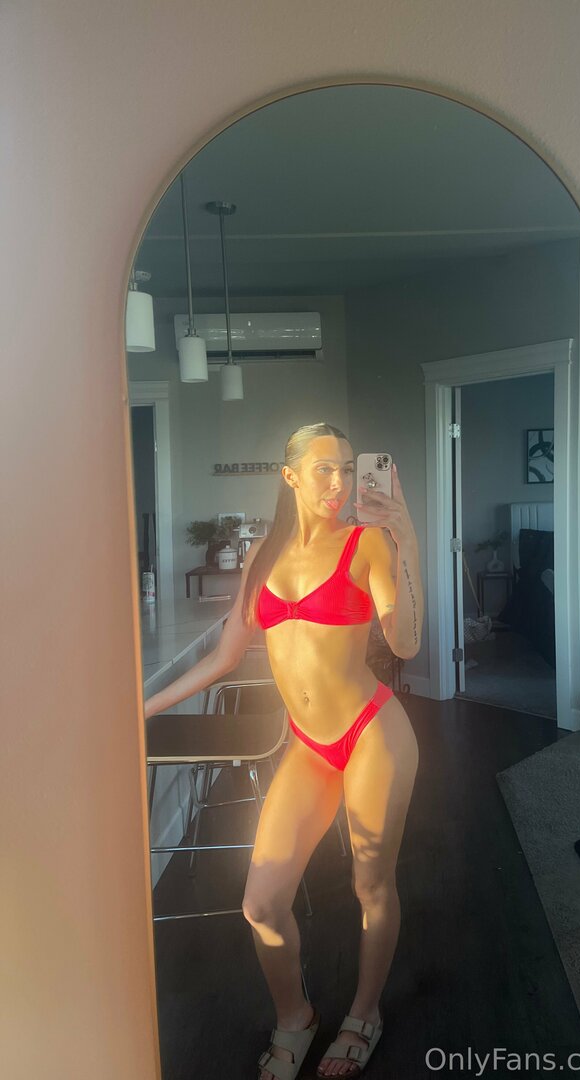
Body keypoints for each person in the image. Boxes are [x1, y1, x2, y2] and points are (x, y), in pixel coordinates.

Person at [144, 422, 423, 1080]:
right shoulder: (263, 558)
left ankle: (365, 1014)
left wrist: (406, 538)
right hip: (309, 745)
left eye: (347, 469)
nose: (339, 482)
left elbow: (406, 644)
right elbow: (223, 658)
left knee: (370, 884)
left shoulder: (365, 543)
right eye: (324, 469)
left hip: (372, 734)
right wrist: (141, 707)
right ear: (290, 475)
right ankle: (296, 1016)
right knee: (261, 904)